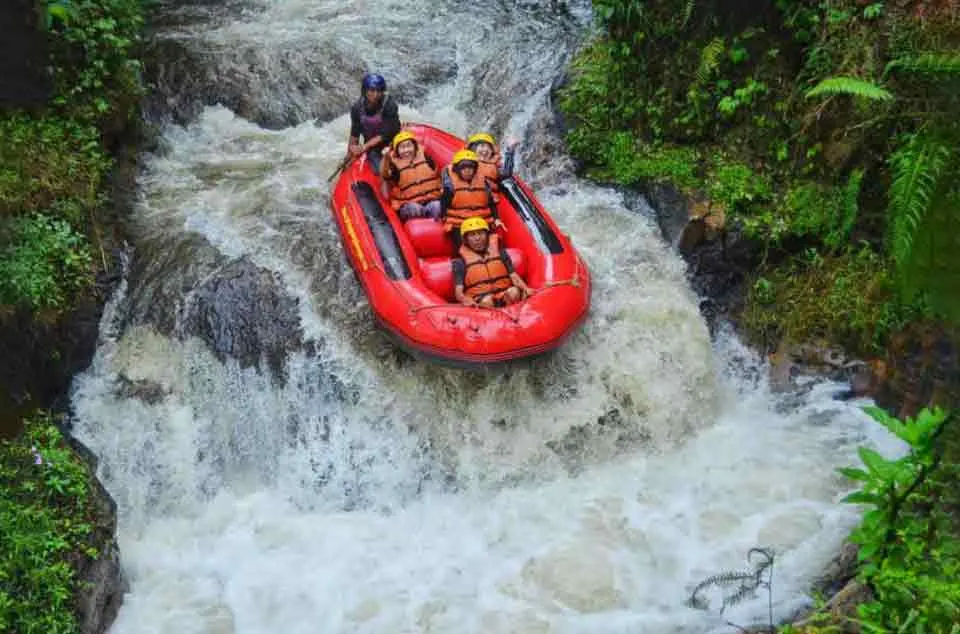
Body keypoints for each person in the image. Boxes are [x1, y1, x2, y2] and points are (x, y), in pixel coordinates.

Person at [453, 216, 532, 308]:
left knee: (513, 291)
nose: (477, 238)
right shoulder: (459, 263)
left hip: (504, 295)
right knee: (487, 301)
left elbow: (514, 276)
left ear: (487, 235)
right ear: (466, 240)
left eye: (481, 233)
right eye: (472, 235)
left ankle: (513, 315)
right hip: (481, 299)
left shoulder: (500, 252)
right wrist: (466, 300)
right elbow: (458, 293)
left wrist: (526, 289)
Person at [440, 149, 504, 247]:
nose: (468, 171)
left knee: (493, 246)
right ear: (457, 170)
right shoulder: (450, 186)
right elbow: (444, 205)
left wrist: (496, 219)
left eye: (470, 168)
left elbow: (491, 202)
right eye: (464, 168)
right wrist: (444, 219)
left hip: (482, 220)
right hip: (459, 223)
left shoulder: (483, 182)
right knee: (464, 246)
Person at [380, 130, 442, 220]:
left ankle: (434, 226)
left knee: (437, 206)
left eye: (409, 146)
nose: (406, 150)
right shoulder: (393, 165)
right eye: (402, 147)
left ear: (415, 147)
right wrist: (385, 158)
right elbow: (385, 175)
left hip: (431, 201)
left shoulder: (426, 157)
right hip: (409, 204)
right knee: (415, 209)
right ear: (397, 151)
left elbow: (438, 174)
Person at [347, 73, 401, 174]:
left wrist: (363, 147)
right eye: (372, 90)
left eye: (379, 91)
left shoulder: (389, 105)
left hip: (392, 141)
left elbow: (386, 134)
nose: (375, 95)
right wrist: (349, 155)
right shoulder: (357, 108)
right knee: (379, 170)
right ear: (365, 91)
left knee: (397, 167)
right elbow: (354, 134)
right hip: (373, 146)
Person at [465, 133, 519, 199]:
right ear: (473, 149)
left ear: (492, 153)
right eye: (482, 146)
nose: (485, 150)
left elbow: (506, 172)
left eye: (489, 148)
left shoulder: (493, 168)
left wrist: (510, 149)